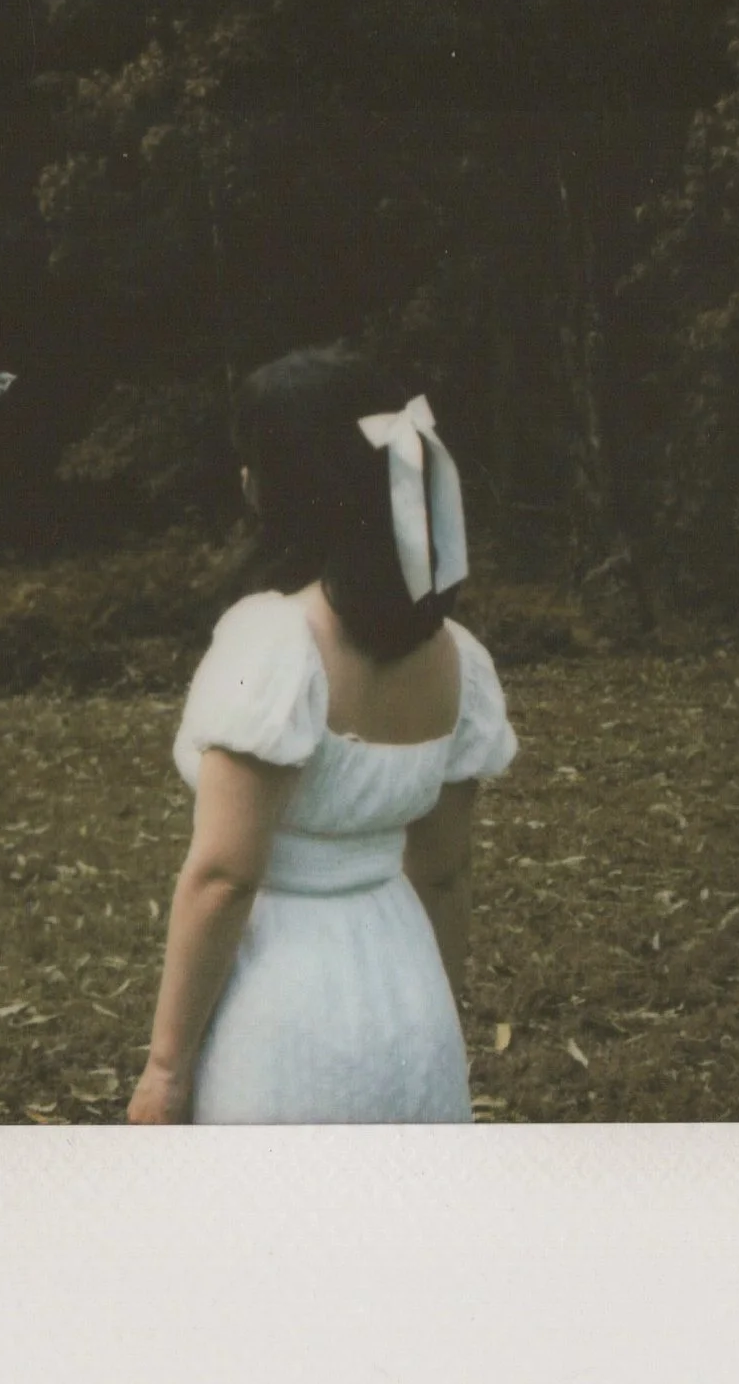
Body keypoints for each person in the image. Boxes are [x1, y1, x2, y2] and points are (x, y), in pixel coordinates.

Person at [128, 347, 517, 1124]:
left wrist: (167, 1070)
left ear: (283, 488)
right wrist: (429, 1013)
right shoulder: (461, 662)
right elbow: (443, 872)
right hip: (411, 991)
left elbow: (224, 878)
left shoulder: (273, 644)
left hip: (285, 1008)